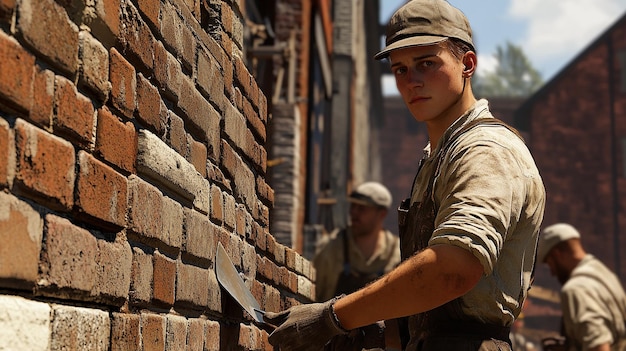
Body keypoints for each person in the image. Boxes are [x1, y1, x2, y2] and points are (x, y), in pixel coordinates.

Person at [264, 1, 546, 350]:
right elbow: (443, 310)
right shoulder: (439, 155)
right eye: (400, 69)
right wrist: (380, 331)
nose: (412, 81)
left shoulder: (485, 149)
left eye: (427, 63)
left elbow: (453, 270)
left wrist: (333, 317)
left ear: (467, 63)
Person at [538, 223, 626, 351]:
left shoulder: (575, 289)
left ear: (557, 254)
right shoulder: (605, 275)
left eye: (550, 264)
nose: (552, 272)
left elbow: (599, 346)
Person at [314, 181, 401, 303]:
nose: (354, 213)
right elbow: (313, 296)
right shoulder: (332, 248)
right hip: (334, 321)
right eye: (352, 206)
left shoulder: (396, 253)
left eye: (362, 208)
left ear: (381, 214)